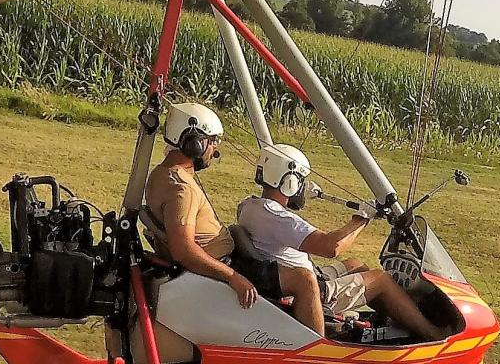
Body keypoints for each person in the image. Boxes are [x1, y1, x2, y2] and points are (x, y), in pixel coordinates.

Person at [236, 143, 443, 341]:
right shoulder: (277, 217)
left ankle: (397, 319)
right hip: (310, 292)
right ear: (288, 181)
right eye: (300, 180)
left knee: (355, 264)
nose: (302, 187)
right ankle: (432, 333)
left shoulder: (250, 206)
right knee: (381, 279)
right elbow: (330, 247)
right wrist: (362, 219)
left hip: (292, 275)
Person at [140, 102, 258, 309]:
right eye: (213, 141)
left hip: (224, 261)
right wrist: (233, 277)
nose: (215, 150)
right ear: (194, 143)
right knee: (303, 281)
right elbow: (183, 250)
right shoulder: (181, 189)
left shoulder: (162, 173)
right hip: (224, 267)